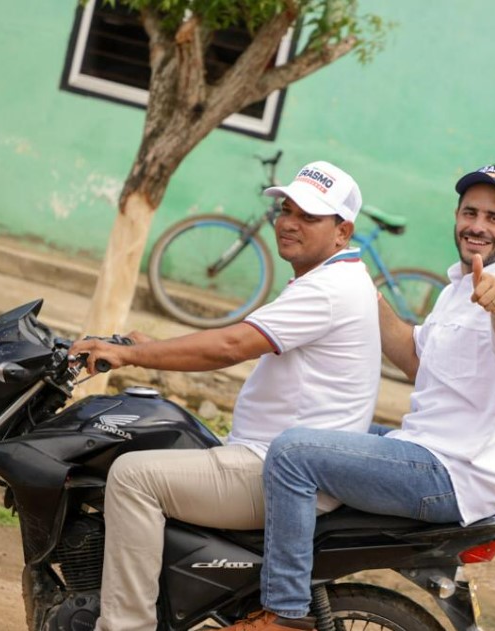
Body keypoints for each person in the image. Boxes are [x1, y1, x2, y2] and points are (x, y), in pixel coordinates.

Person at [218, 163, 495, 631]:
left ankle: (284, 613)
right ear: (457, 217)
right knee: (310, 426)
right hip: (418, 447)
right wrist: (356, 285)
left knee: (294, 453)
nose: (478, 226)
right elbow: (414, 358)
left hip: (450, 474)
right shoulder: (455, 290)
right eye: (470, 212)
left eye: (494, 218)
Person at [70, 160, 382, 631]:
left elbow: (231, 346)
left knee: (133, 476)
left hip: (275, 472)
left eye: (309, 216)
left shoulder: (329, 289)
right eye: (286, 209)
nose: (289, 223)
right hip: (277, 460)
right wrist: (147, 345)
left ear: (342, 231)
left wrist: (134, 357)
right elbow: (233, 336)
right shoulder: (332, 278)